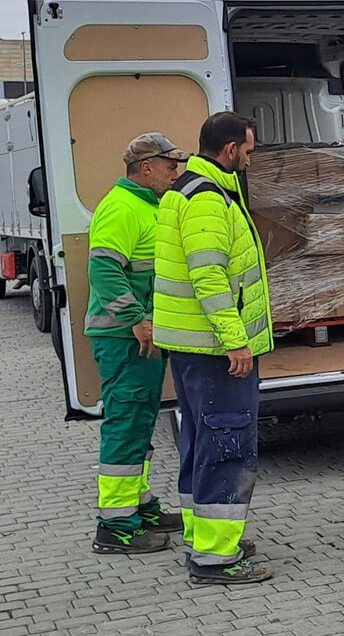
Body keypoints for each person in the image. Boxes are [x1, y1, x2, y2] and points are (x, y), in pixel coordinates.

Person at [153, 112, 274, 584]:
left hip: (193, 348)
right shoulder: (207, 199)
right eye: (248, 149)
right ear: (228, 151)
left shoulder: (188, 189)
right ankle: (215, 558)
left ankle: (204, 536)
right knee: (226, 445)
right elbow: (209, 276)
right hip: (214, 350)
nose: (251, 156)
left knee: (202, 441)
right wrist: (236, 341)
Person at [89, 133, 188, 554]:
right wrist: (138, 321)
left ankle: (139, 504)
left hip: (136, 335)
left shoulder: (147, 205)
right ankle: (115, 526)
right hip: (124, 337)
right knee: (126, 424)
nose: (175, 172)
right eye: (170, 166)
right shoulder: (122, 207)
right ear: (146, 168)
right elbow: (104, 271)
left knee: (140, 423)